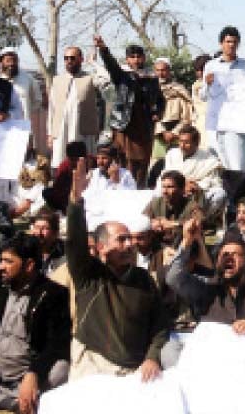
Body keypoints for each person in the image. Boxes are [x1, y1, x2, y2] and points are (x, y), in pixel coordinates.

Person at [65, 159, 169, 381]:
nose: (129, 245)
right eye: (121, 240)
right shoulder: (89, 275)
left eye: (130, 239)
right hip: (93, 362)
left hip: (136, 369)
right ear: (101, 247)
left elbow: (159, 326)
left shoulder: (143, 279)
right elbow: (74, 243)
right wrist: (76, 201)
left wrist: (152, 357)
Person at [0, 233, 70, 413]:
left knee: (61, 370)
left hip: (30, 374)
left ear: (29, 265)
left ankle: (7, 399)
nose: (1, 267)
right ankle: (18, 403)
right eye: (1, 260)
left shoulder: (54, 294)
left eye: (8, 261)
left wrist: (33, 373)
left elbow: (56, 344)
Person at [162, 218, 245, 367]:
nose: (229, 257)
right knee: (169, 350)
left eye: (235, 254)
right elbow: (173, 278)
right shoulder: (206, 289)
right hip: (208, 364)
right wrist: (187, 241)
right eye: (224, 255)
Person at [95, 36, 164, 188]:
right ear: (127, 60)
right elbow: (111, 64)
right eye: (132, 57)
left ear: (144, 58)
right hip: (123, 125)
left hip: (143, 128)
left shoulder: (151, 78)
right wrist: (103, 49)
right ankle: (120, 191)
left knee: (141, 164)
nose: (136, 60)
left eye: (139, 56)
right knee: (122, 161)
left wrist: (157, 113)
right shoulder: (122, 75)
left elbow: (160, 99)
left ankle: (137, 193)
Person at [201, 26, 245, 190]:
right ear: (221, 44)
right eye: (227, 42)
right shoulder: (211, 66)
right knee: (216, 166)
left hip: (238, 124)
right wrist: (208, 84)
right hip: (216, 124)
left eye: (234, 42)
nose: (231, 45)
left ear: (238, 44)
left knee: (238, 166)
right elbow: (203, 95)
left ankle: (239, 204)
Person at [159, 125, 226, 226]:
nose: (182, 145)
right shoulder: (172, 154)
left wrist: (196, 185)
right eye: (180, 141)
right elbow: (166, 174)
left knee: (220, 194)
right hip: (174, 189)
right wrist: (182, 184)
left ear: (196, 143)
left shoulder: (209, 159)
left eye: (186, 142)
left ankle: (201, 221)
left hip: (197, 193)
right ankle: (167, 219)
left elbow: (214, 181)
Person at [47, 46, 100, 169]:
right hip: (61, 130)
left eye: (72, 58)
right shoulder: (57, 80)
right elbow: (52, 109)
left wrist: (93, 63)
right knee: (60, 165)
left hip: (83, 131)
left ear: (80, 59)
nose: (69, 61)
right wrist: (50, 134)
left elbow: (106, 78)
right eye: (66, 58)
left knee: (84, 165)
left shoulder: (89, 78)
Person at [0, 47, 43, 151]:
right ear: (2, 62)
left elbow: (37, 100)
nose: (11, 64)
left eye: (14, 60)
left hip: (23, 128)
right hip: (1, 129)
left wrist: (25, 111)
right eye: (8, 61)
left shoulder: (28, 78)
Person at [151, 57, 192, 163]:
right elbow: (150, 113)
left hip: (177, 133)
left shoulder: (179, 89)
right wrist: (162, 131)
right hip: (157, 132)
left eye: (163, 70)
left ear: (169, 71)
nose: (161, 73)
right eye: (158, 70)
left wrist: (174, 132)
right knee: (158, 164)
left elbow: (187, 115)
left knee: (176, 163)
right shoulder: (150, 90)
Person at [144, 170, 202, 245]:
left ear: (181, 189)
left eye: (170, 187)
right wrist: (152, 223)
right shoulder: (155, 203)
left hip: (185, 247)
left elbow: (198, 223)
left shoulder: (192, 205)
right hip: (159, 247)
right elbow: (142, 221)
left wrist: (173, 224)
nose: (165, 191)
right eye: (163, 187)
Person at [30, 209, 65, 275]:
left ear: (55, 233)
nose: (39, 232)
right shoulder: (26, 251)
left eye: (44, 228)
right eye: (36, 227)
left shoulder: (64, 253)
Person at [190, 54, 211, 140]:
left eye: (202, 69)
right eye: (197, 70)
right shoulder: (196, 85)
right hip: (200, 122)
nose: (200, 73)